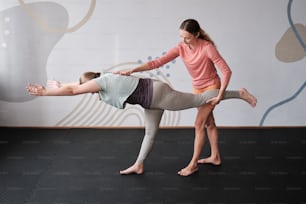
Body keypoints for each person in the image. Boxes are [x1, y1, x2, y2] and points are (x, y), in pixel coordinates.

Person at [26, 71, 257, 175]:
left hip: (158, 94)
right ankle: (139, 164)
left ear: (93, 84)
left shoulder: (102, 81)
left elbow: (74, 90)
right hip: (149, 100)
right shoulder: (101, 78)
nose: (91, 93)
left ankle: (239, 93)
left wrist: (45, 93)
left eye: (90, 90)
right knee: (150, 133)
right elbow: (75, 86)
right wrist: (56, 85)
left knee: (198, 99)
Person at [114, 18, 257, 176]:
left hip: (211, 86)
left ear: (196, 34)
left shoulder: (207, 47)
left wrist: (220, 94)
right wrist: (131, 71)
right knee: (209, 123)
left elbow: (226, 71)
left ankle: (193, 164)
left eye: (187, 37)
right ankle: (215, 157)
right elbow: (157, 62)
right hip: (197, 87)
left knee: (198, 124)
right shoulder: (181, 47)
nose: (183, 41)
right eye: (181, 37)